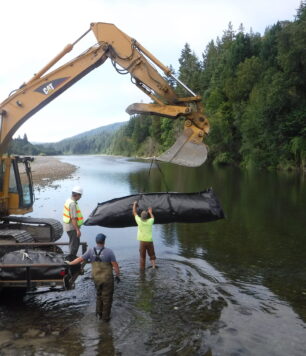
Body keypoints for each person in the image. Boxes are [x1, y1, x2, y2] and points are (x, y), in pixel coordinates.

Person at [68, 233, 120, 321]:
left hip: (96, 278)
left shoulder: (90, 251)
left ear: (96, 241)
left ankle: (98, 314)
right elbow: (115, 266)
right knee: (107, 298)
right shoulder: (109, 252)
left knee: (99, 295)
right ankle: (105, 318)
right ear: (104, 241)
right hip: (107, 279)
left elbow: (79, 259)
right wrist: (117, 275)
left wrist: (70, 263)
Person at [133, 201, 156, 270]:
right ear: (147, 217)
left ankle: (142, 269)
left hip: (142, 242)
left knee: (142, 256)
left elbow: (134, 212)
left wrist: (134, 204)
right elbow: (153, 218)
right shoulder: (150, 221)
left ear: (141, 217)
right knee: (152, 255)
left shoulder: (139, 221)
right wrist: (150, 212)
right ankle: (154, 267)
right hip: (149, 241)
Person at [63, 186, 84, 257]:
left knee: (73, 243)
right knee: (74, 245)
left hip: (68, 226)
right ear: (77, 195)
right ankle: (71, 260)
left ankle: (71, 258)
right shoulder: (72, 204)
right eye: (80, 195)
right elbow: (73, 218)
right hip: (72, 227)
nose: (80, 197)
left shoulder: (68, 200)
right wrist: (77, 230)